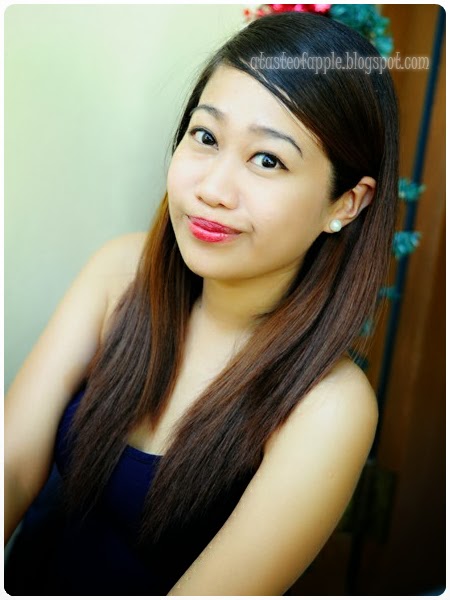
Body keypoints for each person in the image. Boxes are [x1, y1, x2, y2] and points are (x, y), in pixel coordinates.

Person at [5, 10, 399, 596]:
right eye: (206, 137)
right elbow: (12, 467)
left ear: (346, 202)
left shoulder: (330, 405)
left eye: (268, 160)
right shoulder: (120, 274)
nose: (211, 189)